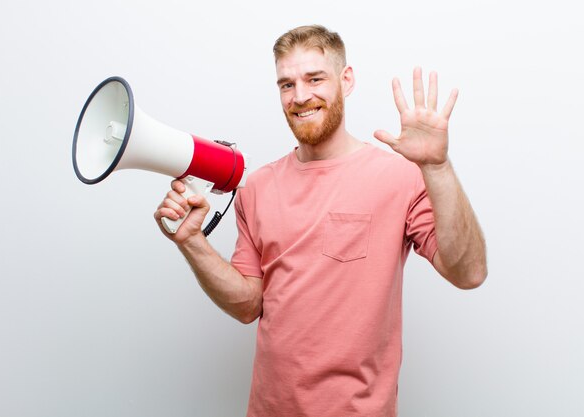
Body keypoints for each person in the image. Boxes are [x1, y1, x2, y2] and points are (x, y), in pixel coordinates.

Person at [154, 24, 487, 417]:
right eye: (286, 84)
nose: (300, 96)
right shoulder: (258, 187)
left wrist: (438, 166)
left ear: (346, 80)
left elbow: (469, 273)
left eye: (315, 79)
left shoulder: (400, 176)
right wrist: (192, 241)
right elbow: (248, 305)